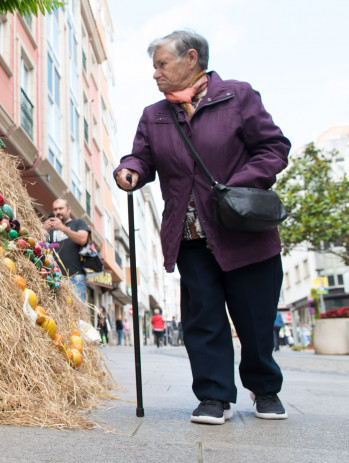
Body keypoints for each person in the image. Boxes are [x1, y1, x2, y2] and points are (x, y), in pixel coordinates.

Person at [113, 30, 290, 425]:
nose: (155, 74)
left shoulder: (238, 96)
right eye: (154, 66)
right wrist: (130, 170)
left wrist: (237, 185)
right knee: (204, 320)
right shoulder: (154, 114)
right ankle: (213, 396)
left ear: (191, 58)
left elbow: (274, 148)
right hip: (190, 235)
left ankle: (265, 389)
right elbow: (140, 157)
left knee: (255, 320)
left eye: (162, 64)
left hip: (243, 232)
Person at [44, 199, 91, 304]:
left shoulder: (78, 223)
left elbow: (83, 239)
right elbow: (41, 247)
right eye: (55, 209)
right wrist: (43, 232)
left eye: (61, 208)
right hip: (55, 278)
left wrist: (62, 228)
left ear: (69, 209)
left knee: (78, 313)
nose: (58, 212)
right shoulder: (50, 229)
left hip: (75, 277)